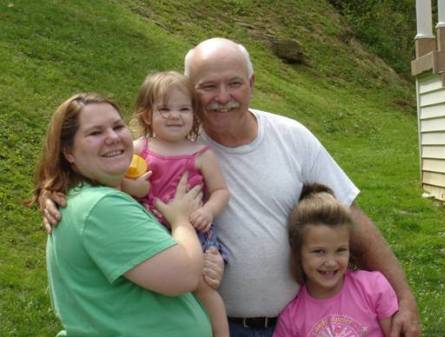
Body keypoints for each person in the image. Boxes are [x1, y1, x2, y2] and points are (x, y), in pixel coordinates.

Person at [42, 38, 421, 337]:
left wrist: (403, 297)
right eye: (208, 86)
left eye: (234, 83)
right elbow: (102, 154)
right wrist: (53, 189)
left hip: (293, 322)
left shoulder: (292, 136)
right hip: (211, 321)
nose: (223, 96)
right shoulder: (172, 138)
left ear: (252, 84)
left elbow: (350, 215)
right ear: (190, 93)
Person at [32, 93, 212, 337]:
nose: (113, 137)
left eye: (118, 126)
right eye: (95, 133)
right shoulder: (100, 207)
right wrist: (180, 220)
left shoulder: (85, 198)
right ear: (69, 152)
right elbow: (185, 275)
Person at [122, 71, 230, 337]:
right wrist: (132, 187)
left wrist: (208, 210)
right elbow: (113, 180)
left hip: (194, 230)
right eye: (164, 109)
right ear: (148, 115)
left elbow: (221, 191)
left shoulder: (201, 154)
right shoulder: (139, 148)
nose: (174, 115)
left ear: (194, 115)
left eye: (184, 108)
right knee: (153, 286)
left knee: (204, 287)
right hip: (149, 228)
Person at [273, 183, 398, 337]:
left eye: (340, 250)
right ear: (298, 252)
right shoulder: (291, 318)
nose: (331, 262)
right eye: (319, 252)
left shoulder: (373, 288)